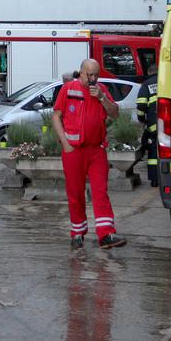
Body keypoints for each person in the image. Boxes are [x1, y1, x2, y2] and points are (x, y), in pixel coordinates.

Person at [50, 58, 127, 250]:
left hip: (96, 150)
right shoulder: (68, 89)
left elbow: (115, 113)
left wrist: (102, 97)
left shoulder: (101, 90)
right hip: (73, 150)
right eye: (89, 75)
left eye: (96, 75)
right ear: (81, 72)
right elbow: (56, 116)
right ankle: (77, 233)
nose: (93, 79)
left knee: (100, 192)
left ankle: (106, 234)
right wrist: (65, 143)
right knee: (75, 193)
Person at [137, 69, 159, 187]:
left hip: (154, 126)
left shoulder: (147, 84)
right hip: (169, 125)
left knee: (153, 153)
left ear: (149, 73)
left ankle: (155, 180)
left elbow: (141, 105)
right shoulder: (166, 80)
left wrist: (141, 119)